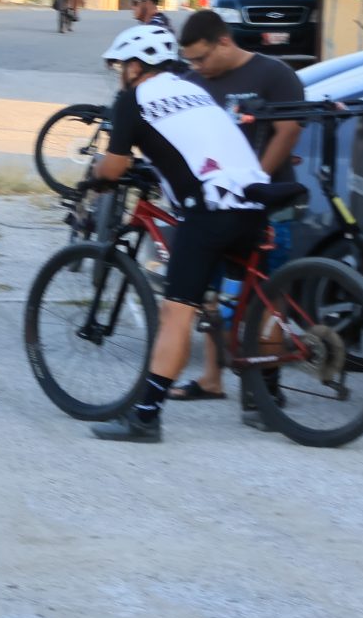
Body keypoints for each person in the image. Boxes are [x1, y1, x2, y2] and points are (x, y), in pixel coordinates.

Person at [82, 23, 275, 443]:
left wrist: (97, 172)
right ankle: (258, 381)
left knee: (175, 313)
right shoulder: (195, 91)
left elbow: (113, 168)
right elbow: (190, 146)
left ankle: (146, 418)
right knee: (229, 294)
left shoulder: (133, 101)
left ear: (137, 66)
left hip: (211, 209)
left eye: (122, 66)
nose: (120, 74)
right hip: (255, 198)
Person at [154, 8, 308, 412]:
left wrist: (252, 178)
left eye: (203, 58)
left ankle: (267, 392)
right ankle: (211, 378)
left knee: (265, 300)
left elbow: (289, 131)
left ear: (224, 41)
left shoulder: (273, 74)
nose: (198, 68)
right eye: (191, 61)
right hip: (214, 208)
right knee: (213, 295)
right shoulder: (193, 83)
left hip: (266, 205)